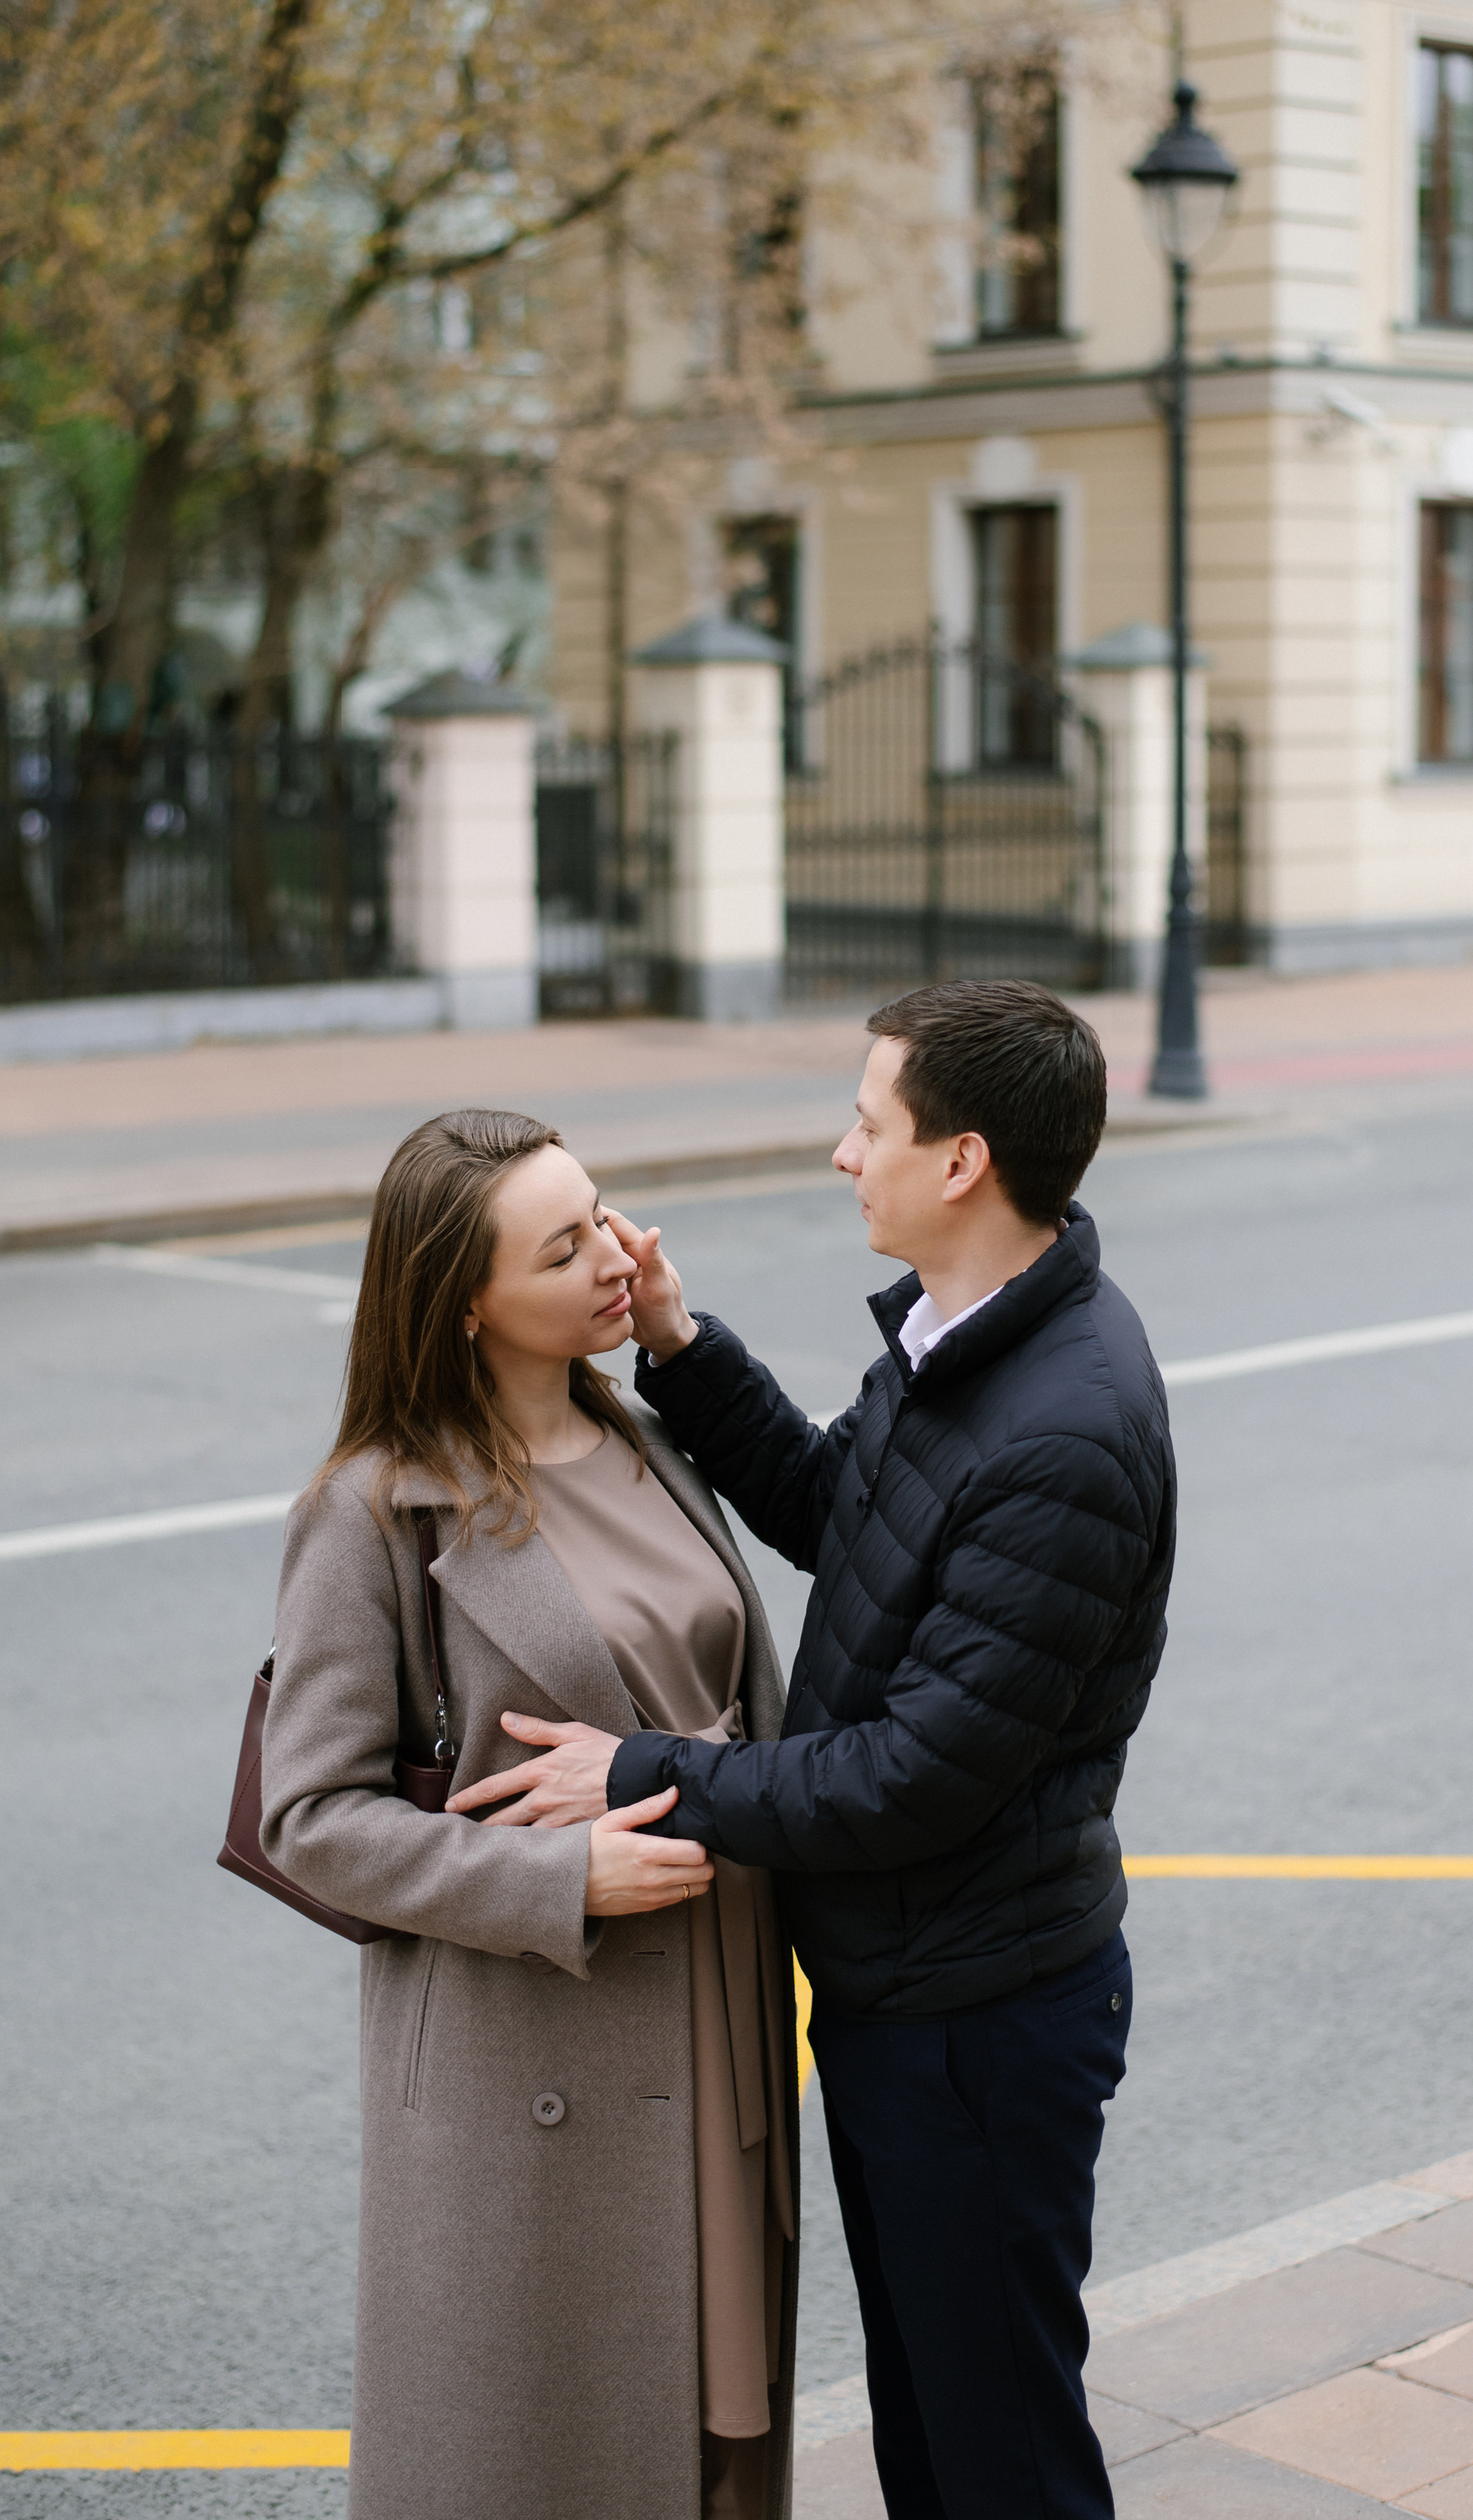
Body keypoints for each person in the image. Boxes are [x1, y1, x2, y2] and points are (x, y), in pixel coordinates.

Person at [491, 979, 1177, 2520]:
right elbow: (833, 1510)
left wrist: (640, 1771)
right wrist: (678, 1344)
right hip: (913, 1994)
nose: (842, 1152)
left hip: (976, 2023)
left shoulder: (1059, 1430)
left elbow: (907, 1776)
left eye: (870, 1124)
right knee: (933, 2430)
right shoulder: (962, 1335)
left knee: (999, 2457)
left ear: (961, 1161)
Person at [258, 1107, 798, 2520]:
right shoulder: (376, 1510)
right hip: (536, 2046)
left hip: (718, 1998)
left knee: (713, 2437)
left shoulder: (644, 1436)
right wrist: (557, 1883)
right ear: (463, 1304)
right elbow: (310, 1815)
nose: (615, 1259)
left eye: (598, 1216)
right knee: (541, 2454)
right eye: (562, 1252)